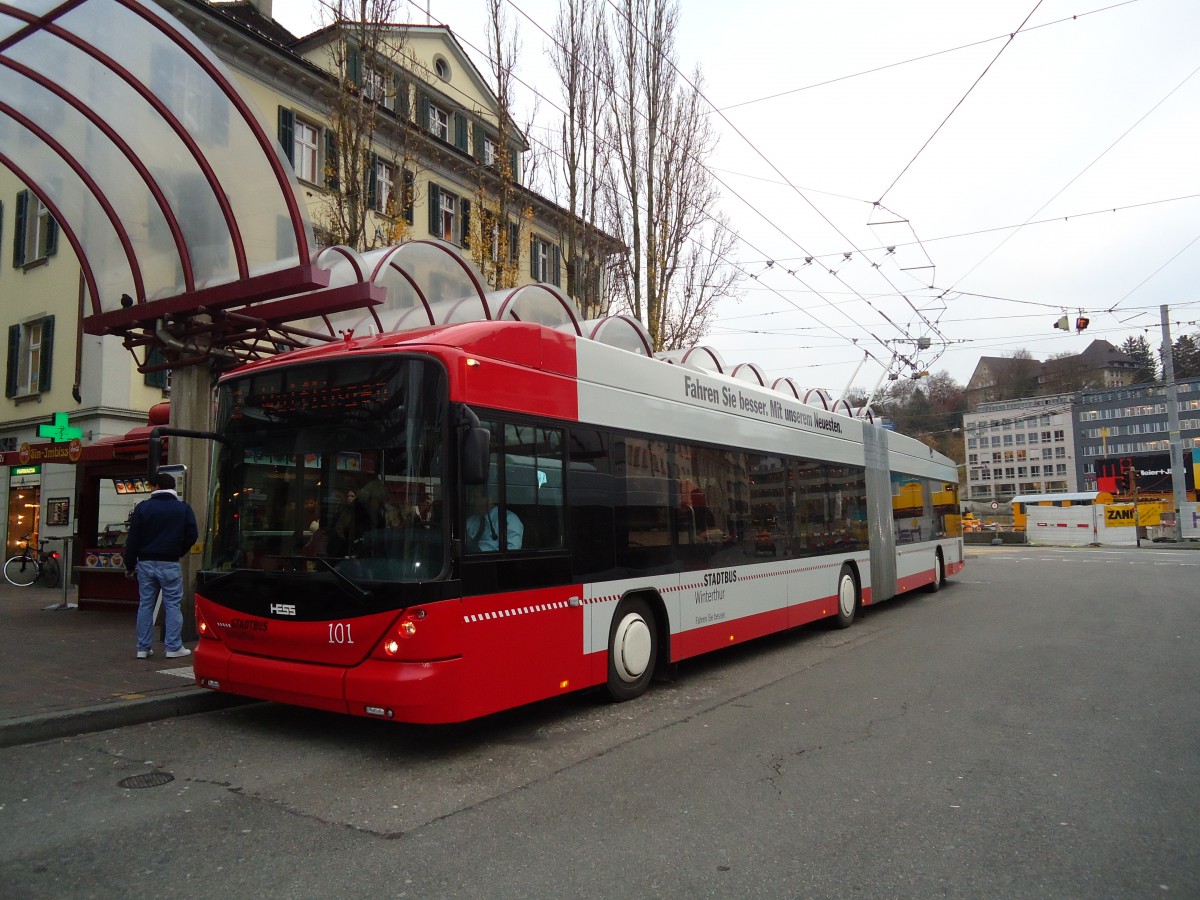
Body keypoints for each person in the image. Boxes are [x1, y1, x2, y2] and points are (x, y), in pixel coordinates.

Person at [124, 471, 199, 659]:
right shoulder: (183, 508)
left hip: (145, 562)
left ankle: (143, 647)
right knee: (173, 604)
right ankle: (173, 647)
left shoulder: (143, 508)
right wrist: (178, 550)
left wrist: (130, 564)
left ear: (156, 486)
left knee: (146, 604)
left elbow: (133, 539)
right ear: (173, 487)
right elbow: (192, 535)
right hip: (170, 562)